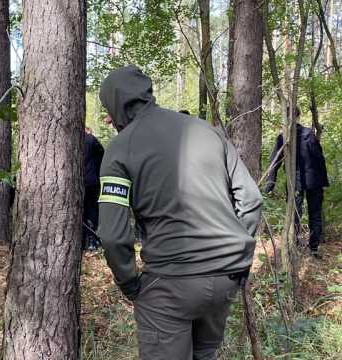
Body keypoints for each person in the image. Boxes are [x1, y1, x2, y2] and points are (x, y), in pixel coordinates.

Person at [97, 65, 263, 360]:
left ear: (117, 103)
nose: (108, 119)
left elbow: (112, 234)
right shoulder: (206, 131)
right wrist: (236, 257)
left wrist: (129, 283)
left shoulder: (120, 148)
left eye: (109, 109)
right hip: (226, 276)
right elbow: (250, 199)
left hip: (169, 284)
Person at [265, 107, 329, 259]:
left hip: (297, 181)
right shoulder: (308, 135)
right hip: (313, 181)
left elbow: (274, 163)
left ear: (286, 117)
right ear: (298, 116)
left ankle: (296, 245)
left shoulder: (284, 137)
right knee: (314, 214)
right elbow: (319, 159)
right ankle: (313, 249)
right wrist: (323, 181)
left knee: (295, 213)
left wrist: (269, 185)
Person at [83, 127, 104, 251]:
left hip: (87, 182)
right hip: (91, 181)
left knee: (87, 211)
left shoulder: (87, 140)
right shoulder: (91, 140)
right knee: (92, 211)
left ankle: (89, 240)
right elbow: (102, 156)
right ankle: (92, 240)